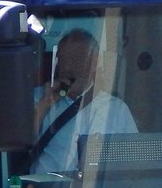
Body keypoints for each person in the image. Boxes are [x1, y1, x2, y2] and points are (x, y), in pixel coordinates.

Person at [30, 28, 137, 174]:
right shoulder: (37, 98)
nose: (68, 67)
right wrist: (46, 103)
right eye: (64, 59)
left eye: (77, 59)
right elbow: (17, 144)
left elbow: (134, 162)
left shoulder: (116, 109)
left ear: (95, 63)